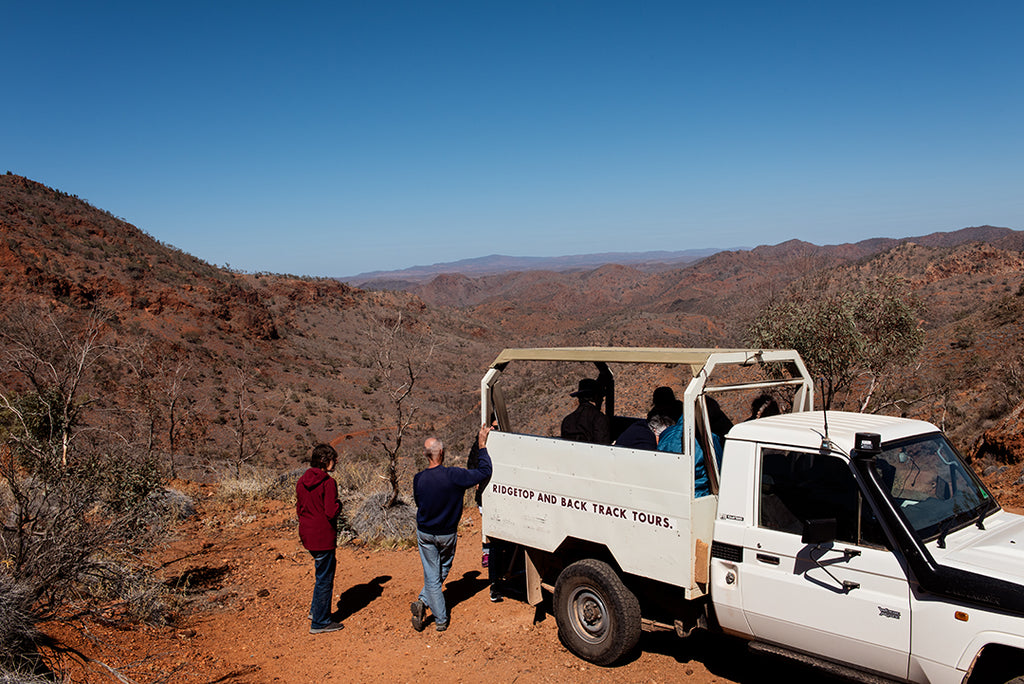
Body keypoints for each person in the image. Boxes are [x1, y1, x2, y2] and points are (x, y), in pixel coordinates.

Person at [411, 424, 494, 633]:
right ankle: (440, 619)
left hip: (425, 532)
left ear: (425, 455)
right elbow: (485, 471)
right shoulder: (454, 476)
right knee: (441, 570)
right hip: (447, 533)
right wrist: (482, 445)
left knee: (433, 572)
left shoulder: (418, 479)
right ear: (443, 453)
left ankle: (423, 600)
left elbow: (418, 502)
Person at [296, 443, 343, 634]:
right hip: (323, 535)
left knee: (320, 573)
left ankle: (316, 611)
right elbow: (331, 512)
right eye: (333, 459)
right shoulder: (328, 483)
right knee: (324, 577)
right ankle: (320, 622)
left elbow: (299, 508)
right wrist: (340, 504)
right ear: (325, 461)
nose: (336, 462)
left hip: (307, 533)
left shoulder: (301, 481)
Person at [560, 378, 611, 444]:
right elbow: (603, 446)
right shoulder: (599, 419)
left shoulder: (567, 420)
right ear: (595, 397)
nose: (602, 400)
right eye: (600, 397)